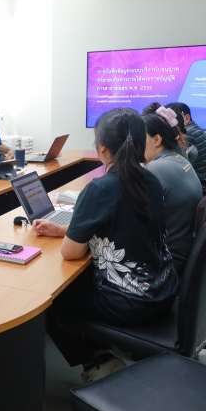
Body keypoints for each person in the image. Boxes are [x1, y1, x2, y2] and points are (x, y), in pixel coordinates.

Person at [33, 108, 178, 384]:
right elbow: (124, 230)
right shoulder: (152, 180)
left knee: (49, 299)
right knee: (83, 278)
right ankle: (102, 350)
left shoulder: (99, 188)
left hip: (132, 301)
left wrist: (71, 236)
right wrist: (66, 230)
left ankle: (96, 362)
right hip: (163, 289)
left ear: (101, 148)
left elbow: (70, 252)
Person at [142, 103, 203, 277]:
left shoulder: (154, 170)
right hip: (182, 253)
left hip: (166, 263)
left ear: (157, 139)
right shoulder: (180, 159)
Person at [166, 102, 206, 194]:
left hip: (205, 190)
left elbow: (174, 164)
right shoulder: (194, 129)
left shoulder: (187, 134)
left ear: (186, 118)